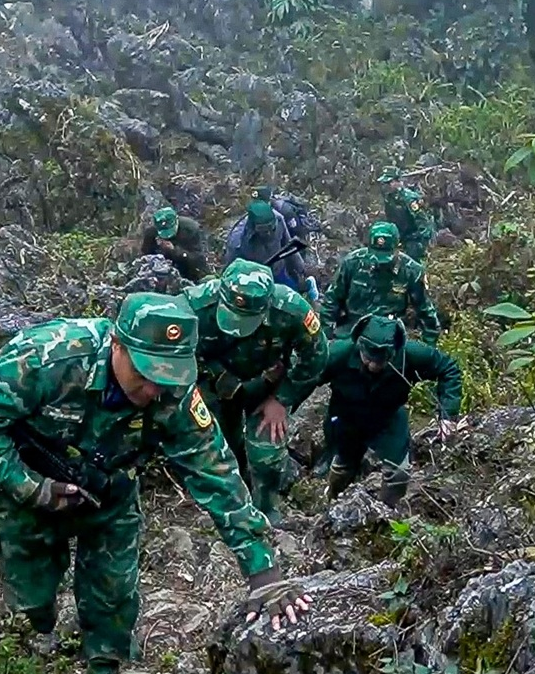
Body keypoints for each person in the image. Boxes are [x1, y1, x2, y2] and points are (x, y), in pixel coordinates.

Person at [0, 292, 312, 674]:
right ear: (117, 345)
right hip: (28, 497)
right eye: (145, 372)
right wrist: (30, 487)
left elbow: (217, 473)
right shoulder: (51, 357)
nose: (153, 388)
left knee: (114, 593)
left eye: (168, 375)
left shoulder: (174, 395)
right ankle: (40, 635)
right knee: (31, 594)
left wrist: (263, 571)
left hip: (110, 498)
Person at [183, 260, 328, 527]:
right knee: (218, 447)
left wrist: (283, 399)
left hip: (268, 389)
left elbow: (316, 357)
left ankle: (266, 507)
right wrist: (219, 378)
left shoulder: (291, 310)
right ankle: (231, 500)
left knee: (266, 453)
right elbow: (178, 353)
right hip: (214, 387)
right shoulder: (195, 305)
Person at [283, 314, 463, 508]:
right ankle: (334, 504)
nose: (373, 365)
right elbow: (305, 377)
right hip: (346, 419)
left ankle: (384, 513)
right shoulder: (338, 354)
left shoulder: (410, 354)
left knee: (398, 473)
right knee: (343, 468)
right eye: (368, 359)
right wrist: (283, 407)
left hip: (388, 418)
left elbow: (449, 369)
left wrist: (447, 415)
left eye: (381, 361)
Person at [319, 222, 441, 344]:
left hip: (390, 334)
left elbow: (426, 312)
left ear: (397, 248)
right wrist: (327, 337)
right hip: (352, 331)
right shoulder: (352, 263)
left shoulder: (411, 271)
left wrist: (429, 346)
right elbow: (331, 301)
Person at [225, 200, 312, 298]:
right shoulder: (237, 241)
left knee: (293, 297)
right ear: (253, 228)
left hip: (278, 271)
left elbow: (288, 245)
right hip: (254, 280)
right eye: (264, 230)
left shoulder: (279, 219)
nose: (269, 233)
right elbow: (231, 269)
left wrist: (300, 269)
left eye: (272, 228)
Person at [377, 166, 436, 263]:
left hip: (414, 239)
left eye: (389, 182)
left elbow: (423, 222)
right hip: (400, 236)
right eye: (385, 183)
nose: (386, 186)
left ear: (397, 181)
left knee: (411, 263)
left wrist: (421, 240)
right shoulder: (389, 198)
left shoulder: (409, 198)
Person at [141, 206, 210, 283]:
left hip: (190, 269)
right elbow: (145, 254)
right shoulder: (151, 233)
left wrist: (175, 250)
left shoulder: (191, 229)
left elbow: (198, 259)